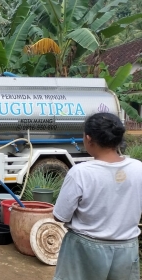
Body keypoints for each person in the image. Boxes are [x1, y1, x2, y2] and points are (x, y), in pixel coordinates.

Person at [53, 112, 142, 280]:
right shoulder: (138, 168)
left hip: (85, 249)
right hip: (126, 249)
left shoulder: (81, 173)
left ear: (88, 138)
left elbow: (60, 216)